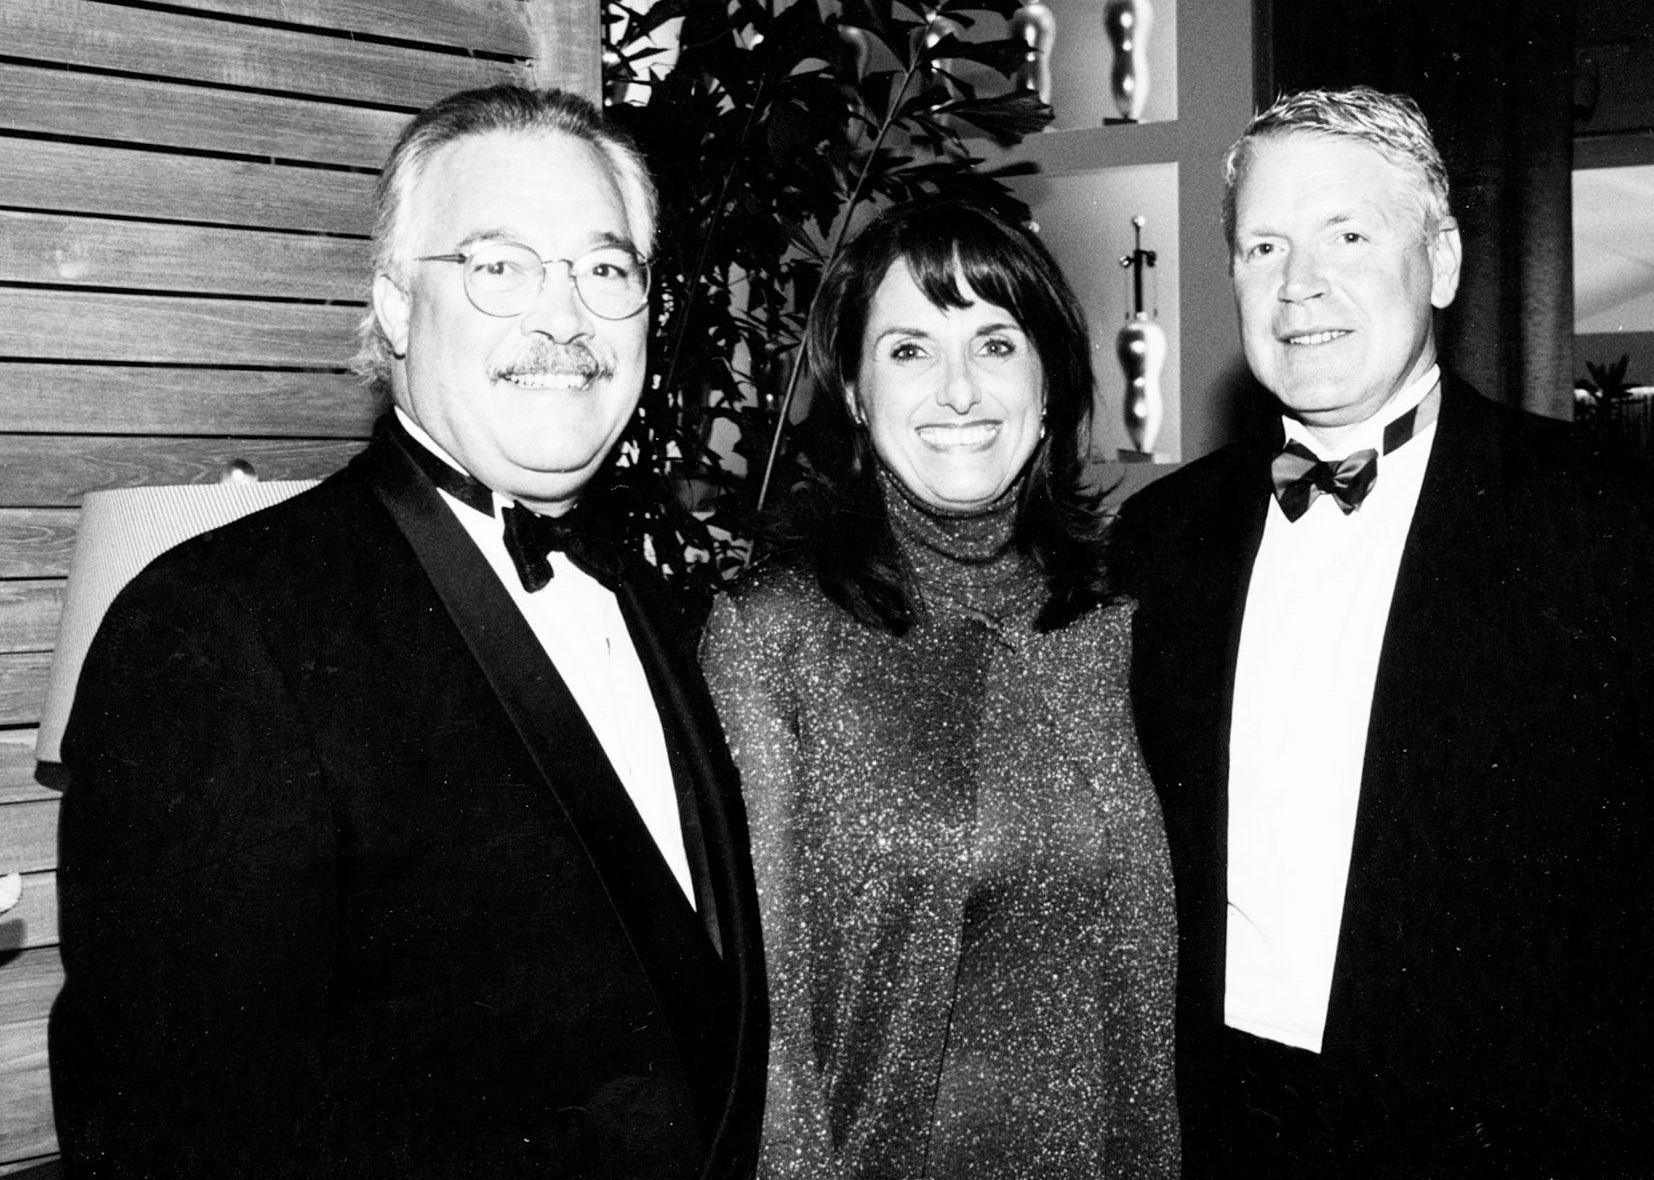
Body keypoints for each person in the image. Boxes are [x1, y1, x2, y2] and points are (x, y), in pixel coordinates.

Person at [50, 85, 766, 1179]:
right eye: (498, 266)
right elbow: (173, 1136)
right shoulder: (219, 626)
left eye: (606, 269)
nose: (563, 319)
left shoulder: (658, 604)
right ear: (392, 308)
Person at [1115, 86, 1654, 1176]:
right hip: (1227, 1133)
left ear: (1440, 261)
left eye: (1347, 234)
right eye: (1264, 247)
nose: (1300, 286)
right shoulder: (1158, 542)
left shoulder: (1617, 530)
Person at [702, 198, 1179, 1179]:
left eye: (995, 344)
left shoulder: (1112, 628)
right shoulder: (773, 639)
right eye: (911, 350)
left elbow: (1142, 1012)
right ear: (856, 394)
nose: (959, 390)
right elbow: (769, 1043)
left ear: (1048, 383)